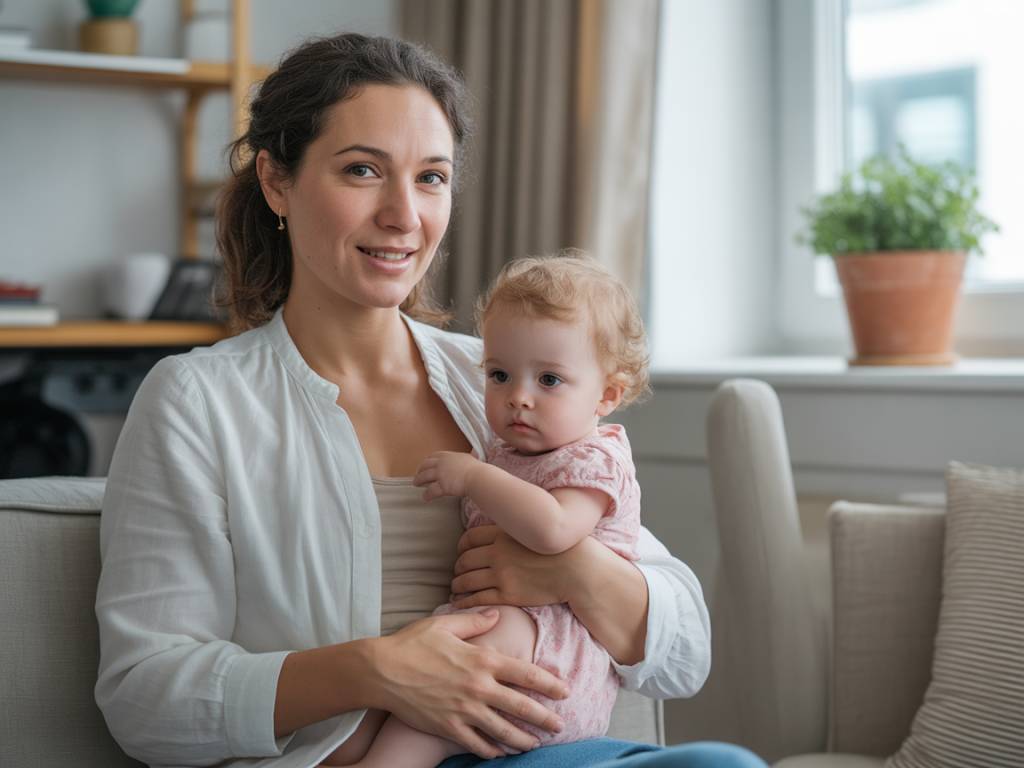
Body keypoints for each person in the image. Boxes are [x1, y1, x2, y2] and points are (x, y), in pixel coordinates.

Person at [94, 32, 766, 768]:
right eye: (361, 171)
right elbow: (143, 694)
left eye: (431, 178)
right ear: (277, 182)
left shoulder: (506, 381)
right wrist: (377, 668)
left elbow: (685, 653)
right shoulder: (198, 402)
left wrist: (568, 567)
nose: (403, 215)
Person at [318, 253, 653, 768]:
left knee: (440, 688)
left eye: (549, 380)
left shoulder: (595, 459)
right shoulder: (511, 452)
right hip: (492, 633)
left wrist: (474, 477)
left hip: (546, 656)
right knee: (372, 714)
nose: (518, 397)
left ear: (607, 394)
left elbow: (554, 529)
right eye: (499, 374)